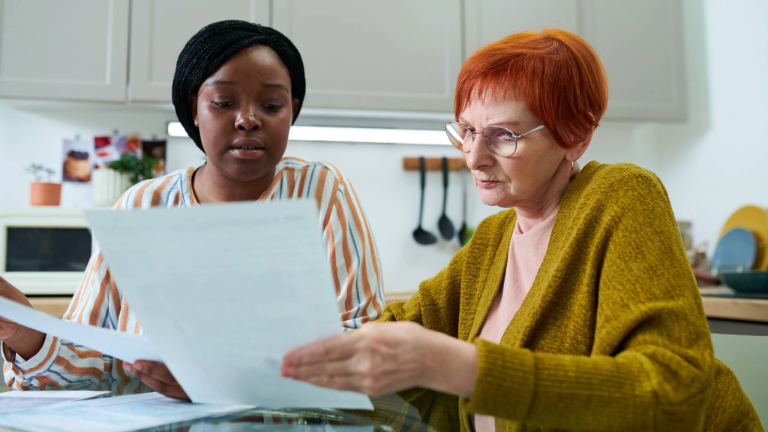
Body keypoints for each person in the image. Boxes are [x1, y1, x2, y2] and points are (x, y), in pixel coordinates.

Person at [280, 29, 762, 431]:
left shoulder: (621, 196)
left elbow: (673, 393)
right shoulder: (494, 239)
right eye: (467, 131)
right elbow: (400, 329)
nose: (474, 157)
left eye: (504, 135)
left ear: (577, 135)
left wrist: (456, 366)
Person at [0, 21, 384, 401]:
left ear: (292, 111)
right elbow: (93, 363)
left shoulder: (320, 192)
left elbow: (364, 344)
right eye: (224, 103)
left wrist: (225, 380)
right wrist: (24, 331)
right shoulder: (141, 207)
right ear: (194, 109)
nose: (248, 119)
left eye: (271, 105)